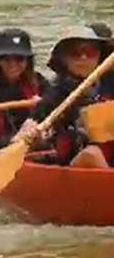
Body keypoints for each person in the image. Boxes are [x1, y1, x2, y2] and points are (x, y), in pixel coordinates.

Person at [15, 27, 114, 167]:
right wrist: (32, 139)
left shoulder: (110, 82)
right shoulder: (52, 98)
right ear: (65, 59)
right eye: (76, 53)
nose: (83, 58)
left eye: (90, 52)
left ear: (99, 57)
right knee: (91, 154)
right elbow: (31, 144)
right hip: (75, 165)